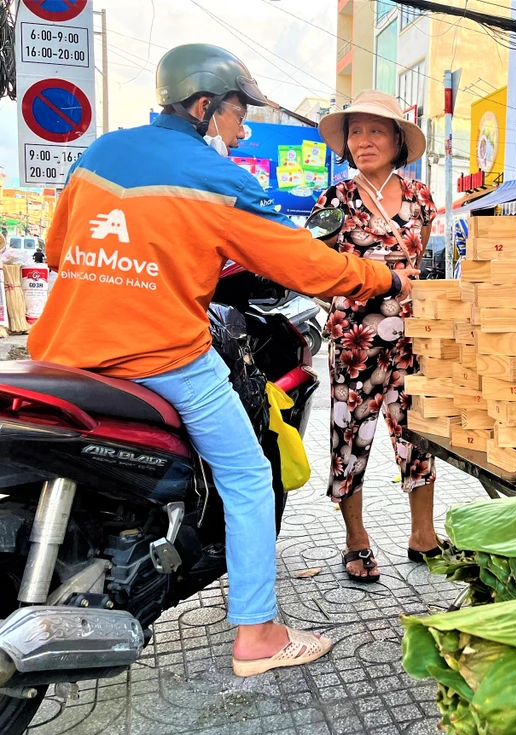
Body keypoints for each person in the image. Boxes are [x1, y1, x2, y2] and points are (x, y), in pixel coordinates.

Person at [27, 45, 417, 676]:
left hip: (63, 352)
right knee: (247, 477)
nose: (243, 126)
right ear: (205, 105)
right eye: (238, 112)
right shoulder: (218, 178)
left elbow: (55, 247)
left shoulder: (98, 155)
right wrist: (381, 279)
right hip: (161, 357)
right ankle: (258, 634)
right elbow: (303, 264)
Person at [311, 90, 444, 583]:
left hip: (413, 335)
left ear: (397, 140)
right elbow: (314, 269)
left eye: (374, 130)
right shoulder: (334, 200)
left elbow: (417, 259)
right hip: (355, 341)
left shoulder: (420, 198)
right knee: (350, 435)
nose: (363, 141)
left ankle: (423, 536)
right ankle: (357, 541)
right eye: (355, 131)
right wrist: (347, 307)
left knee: (418, 432)